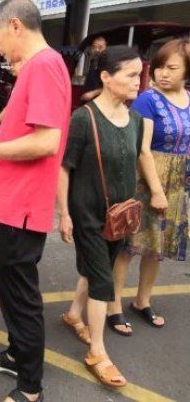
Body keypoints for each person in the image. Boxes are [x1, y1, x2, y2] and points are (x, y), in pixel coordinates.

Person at [0, 0, 71, 402]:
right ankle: (15, 355)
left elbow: (47, 140)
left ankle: (29, 386)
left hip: (20, 206)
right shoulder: (40, 67)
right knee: (10, 289)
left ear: (16, 26)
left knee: (21, 297)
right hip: (9, 203)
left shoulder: (43, 66)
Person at [58, 46, 166, 388]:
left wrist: (155, 191)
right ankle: (97, 351)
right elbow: (64, 169)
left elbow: (138, 158)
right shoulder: (83, 118)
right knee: (103, 280)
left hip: (121, 214)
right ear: (106, 77)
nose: (140, 81)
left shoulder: (135, 121)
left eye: (140, 74)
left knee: (96, 269)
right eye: (131, 75)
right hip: (88, 212)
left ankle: (74, 314)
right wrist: (64, 214)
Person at [108, 38, 190, 332]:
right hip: (146, 180)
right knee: (128, 246)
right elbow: (142, 149)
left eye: (171, 68)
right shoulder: (148, 100)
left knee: (158, 248)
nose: (162, 74)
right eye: (158, 67)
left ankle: (143, 300)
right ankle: (114, 304)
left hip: (178, 183)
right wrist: (155, 190)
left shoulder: (189, 100)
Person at [81, 36, 108, 103]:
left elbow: (111, 87)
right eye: (94, 47)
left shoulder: (107, 65)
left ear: (106, 48)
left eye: (100, 47)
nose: (96, 50)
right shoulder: (92, 62)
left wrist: (93, 93)